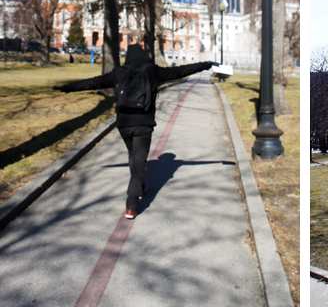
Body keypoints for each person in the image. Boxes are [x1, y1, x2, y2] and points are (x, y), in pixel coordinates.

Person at [54, 44, 217, 220]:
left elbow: (93, 82)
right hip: (143, 124)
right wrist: (205, 64)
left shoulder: (118, 73)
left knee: (134, 156)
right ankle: (131, 204)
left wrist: (68, 87)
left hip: (123, 124)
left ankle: (139, 186)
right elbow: (181, 71)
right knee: (138, 160)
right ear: (144, 57)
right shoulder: (153, 71)